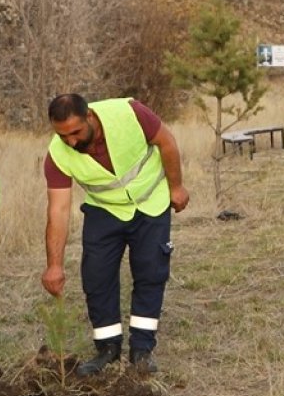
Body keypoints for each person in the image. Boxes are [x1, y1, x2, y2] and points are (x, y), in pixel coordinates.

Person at [42, 94, 190, 375]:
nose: (71, 141)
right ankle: (107, 348)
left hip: (151, 201)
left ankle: (142, 350)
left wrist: (176, 187)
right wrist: (54, 265)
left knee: (150, 272)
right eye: (63, 136)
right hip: (105, 210)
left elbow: (166, 142)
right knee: (97, 277)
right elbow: (58, 210)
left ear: (90, 117)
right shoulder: (57, 156)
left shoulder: (129, 113)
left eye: (75, 132)